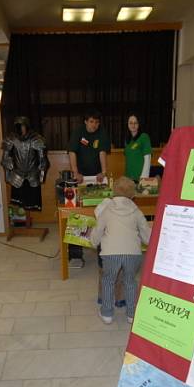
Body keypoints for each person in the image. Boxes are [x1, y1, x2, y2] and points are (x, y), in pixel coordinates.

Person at [90, 176, 151, 324]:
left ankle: (107, 314)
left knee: (108, 281)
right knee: (130, 281)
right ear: (133, 195)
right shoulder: (136, 211)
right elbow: (146, 235)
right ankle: (131, 314)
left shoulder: (107, 210)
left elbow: (98, 230)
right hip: (133, 254)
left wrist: (94, 242)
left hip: (110, 253)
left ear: (113, 192)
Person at [67, 110, 110, 268]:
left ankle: (102, 254)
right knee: (76, 215)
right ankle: (75, 254)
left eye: (97, 122)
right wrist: (75, 172)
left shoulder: (102, 132)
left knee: (101, 215)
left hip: (97, 179)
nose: (94, 125)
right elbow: (72, 152)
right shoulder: (78, 132)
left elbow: (102, 153)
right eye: (91, 121)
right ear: (86, 121)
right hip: (81, 178)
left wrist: (103, 172)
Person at [1, 115, 48, 211]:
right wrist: (7, 176)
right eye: (18, 126)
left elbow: (43, 160)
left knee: (32, 203)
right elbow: (5, 159)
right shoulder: (11, 139)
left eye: (22, 126)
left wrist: (41, 176)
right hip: (17, 175)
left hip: (33, 175)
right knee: (19, 204)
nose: (21, 128)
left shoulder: (36, 139)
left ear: (27, 126)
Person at [123, 113, 152, 182]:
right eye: (130, 123)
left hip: (139, 178)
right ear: (127, 124)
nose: (133, 125)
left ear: (139, 124)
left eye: (135, 123)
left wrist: (144, 177)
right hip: (128, 178)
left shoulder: (144, 137)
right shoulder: (127, 140)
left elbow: (148, 158)